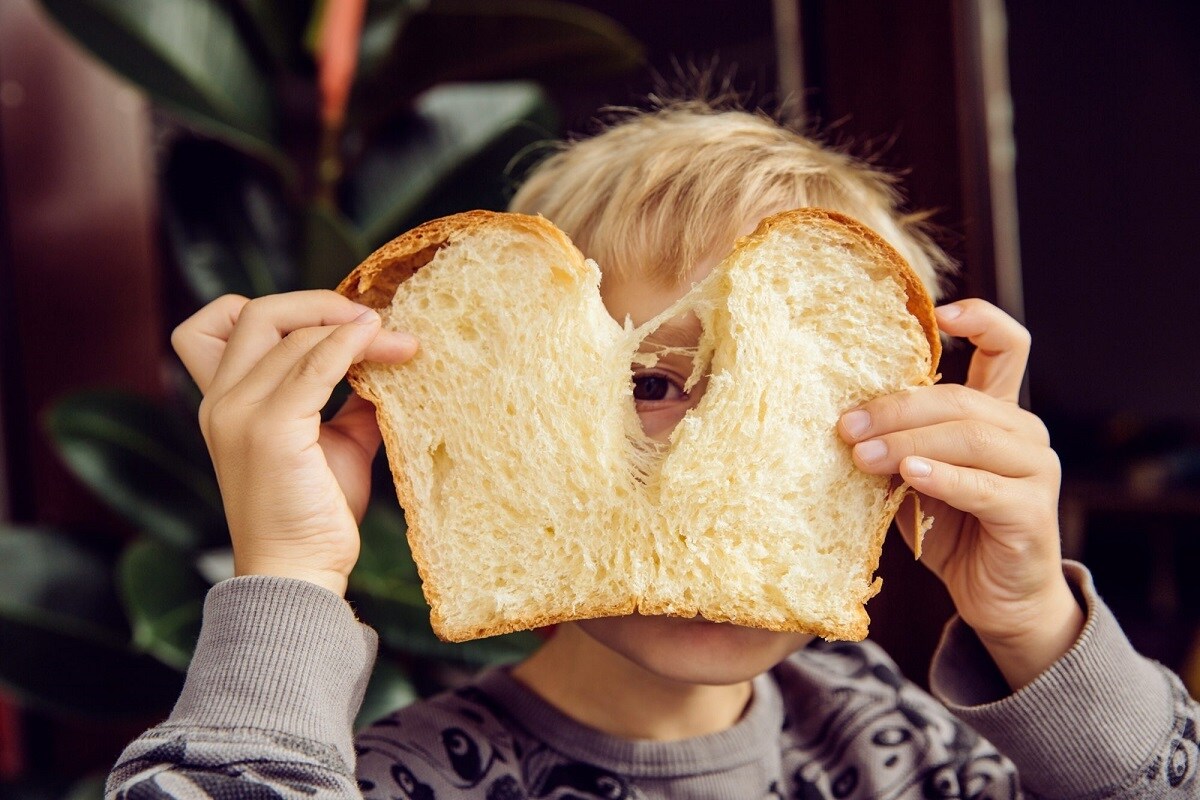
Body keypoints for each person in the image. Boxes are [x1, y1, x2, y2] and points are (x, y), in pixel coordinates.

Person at [106, 99, 1198, 798]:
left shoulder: (894, 740)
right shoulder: (401, 778)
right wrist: (292, 568)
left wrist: (1034, 624)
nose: (696, 465)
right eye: (649, 383)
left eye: (790, 398)